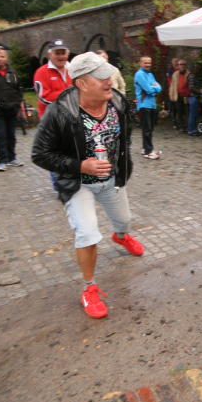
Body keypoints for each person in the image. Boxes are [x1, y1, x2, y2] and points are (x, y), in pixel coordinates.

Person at [31, 52, 145, 319]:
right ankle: (89, 288)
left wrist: (122, 164)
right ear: (81, 83)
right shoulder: (60, 112)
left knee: (124, 220)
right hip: (78, 183)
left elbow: (125, 138)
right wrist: (80, 165)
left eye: (109, 75)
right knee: (87, 233)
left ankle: (120, 236)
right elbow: (39, 154)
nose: (109, 81)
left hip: (112, 180)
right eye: (101, 77)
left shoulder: (118, 102)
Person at [33, 39, 71, 118]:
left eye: (63, 53)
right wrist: (68, 93)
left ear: (67, 55)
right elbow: (44, 98)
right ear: (49, 55)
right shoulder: (41, 72)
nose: (61, 56)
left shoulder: (73, 69)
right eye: (57, 53)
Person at [134, 55, 162, 159]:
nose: (148, 64)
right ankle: (148, 151)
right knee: (147, 129)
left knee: (150, 128)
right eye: (145, 62)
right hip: (144, 104)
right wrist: (154, 89)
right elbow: (149, 89)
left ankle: (145, 148)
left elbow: (159, 88)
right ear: (140, 63)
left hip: (151, 104)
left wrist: (154, 89)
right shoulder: (139, 74)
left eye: (149, 62)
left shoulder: (150, 74)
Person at [168, 58, 191, 131]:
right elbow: (172, 85)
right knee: (179, 112)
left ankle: (188, 126)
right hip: (178, 95)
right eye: (180, 64)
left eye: (183, 64)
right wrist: (171, 95)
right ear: (178, 66)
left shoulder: (189, 74)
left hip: (186, 96)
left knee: (187, 112)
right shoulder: (175, 74)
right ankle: (181, 126)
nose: (182, 66)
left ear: (186, 65)